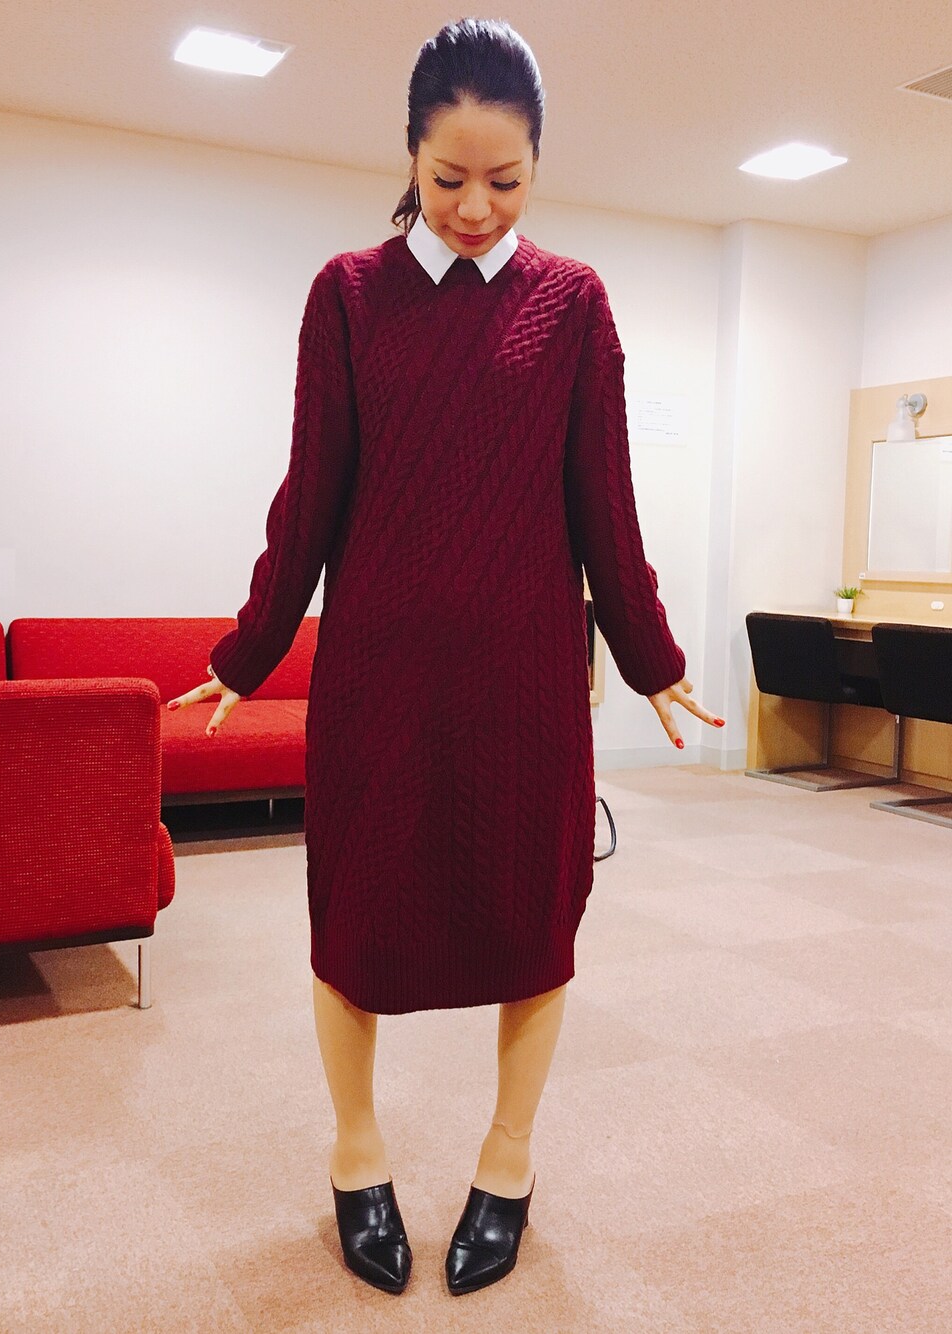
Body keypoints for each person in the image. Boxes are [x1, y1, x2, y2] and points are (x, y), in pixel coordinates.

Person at [167, 17, 724, 1298]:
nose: (475, 207)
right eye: (449, 177)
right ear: (410, 154)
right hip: (377, 679)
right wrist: (248, 651)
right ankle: (355, 1152)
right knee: (355, 918)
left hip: (526, 683)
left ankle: (507, 1161)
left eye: (505, 180)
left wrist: (650, 653)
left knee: (532, 920)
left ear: (537, 166)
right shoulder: (347, 295)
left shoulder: (573, 303)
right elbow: (311, 495)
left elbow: (603, 499)